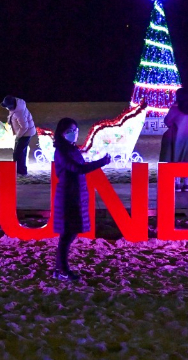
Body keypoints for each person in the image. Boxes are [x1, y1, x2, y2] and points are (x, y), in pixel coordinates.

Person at [52, 118, 111, 282]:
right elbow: (78, 168)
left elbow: (80, 166)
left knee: (70, 234)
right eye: (70, 130)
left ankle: (59, 269)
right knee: (67, 235)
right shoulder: (62, 151)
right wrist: (101, 162)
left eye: (75, 130)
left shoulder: (72, 149)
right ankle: (62, 270)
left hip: (76, 195)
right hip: (67, 196)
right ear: (62, 133)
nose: (74, 133)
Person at [159, 88, 188, 191]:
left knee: (175, 158)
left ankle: (177, 183)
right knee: (187, 159)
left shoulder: (175, 108)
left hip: (176, 137)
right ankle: (187, 183)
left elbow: (167, 121)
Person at [1, 95, 37, 176]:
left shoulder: (19, 112)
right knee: (20, 152)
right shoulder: (17, 107)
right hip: (25, 133)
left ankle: (20, 171)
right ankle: (21, 171)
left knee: (17, 153)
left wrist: (18, 136)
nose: (6, 108)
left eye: (7, 107)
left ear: (11, 106)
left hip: (25, 134)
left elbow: (24, 127)